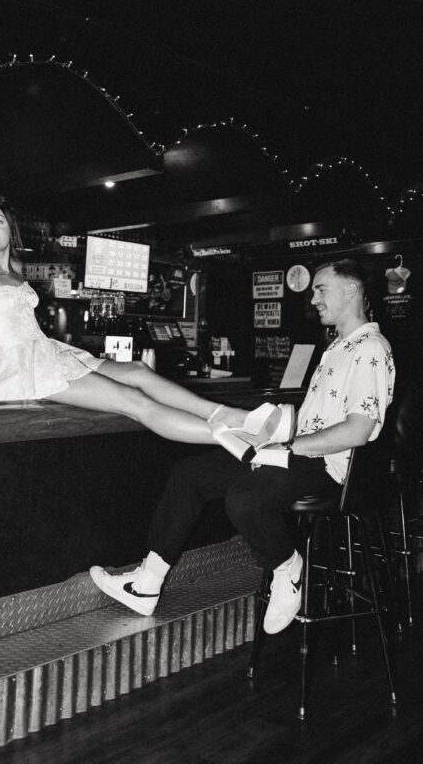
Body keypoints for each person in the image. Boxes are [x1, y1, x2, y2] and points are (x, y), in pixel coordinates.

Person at [90, 258, 395, 636]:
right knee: (191, 474)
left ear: (351, 291)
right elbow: (319, 417)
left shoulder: (371, 349)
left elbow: (357, 431)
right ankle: (147, 584)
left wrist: (287, 446)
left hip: (331, 468)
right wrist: (264, 432)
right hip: (299, 453)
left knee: (244, 498)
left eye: (321, 289)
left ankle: (289, 569)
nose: (313, 298)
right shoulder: (338, 346)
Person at [0, 201, 295, 462]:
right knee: (134, 400)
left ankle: (242, 418)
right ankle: (243, 444)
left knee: (137, 371)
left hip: (49, 352)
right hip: (26, 366)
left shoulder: (13, 271)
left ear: (10, 230)